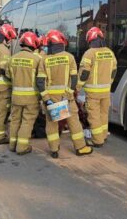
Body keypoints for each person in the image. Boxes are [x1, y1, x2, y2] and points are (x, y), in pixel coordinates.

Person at [37, 29, 92, 158]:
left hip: (51, 98)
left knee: (51, 124)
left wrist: (46, 99)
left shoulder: (44, 60)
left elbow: (40, 82)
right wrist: (67, 95)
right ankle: (80, 147)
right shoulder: (69, 57)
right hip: (66, 98)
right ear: (61, 43)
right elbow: (73, 79)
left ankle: (54, 149)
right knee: (73, 121)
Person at [77, 27, 117, 147]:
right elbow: (114, 71)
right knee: (103, 115)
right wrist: (108, 83)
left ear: (90, 39)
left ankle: (97, 141)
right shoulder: (110, 52)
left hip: (93, 93)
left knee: (94, 116)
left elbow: (84, 73)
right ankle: (103, 136)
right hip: (106, 91)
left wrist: (77, 88)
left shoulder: (89, 53)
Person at [6, 31, 42, 155]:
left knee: (15, 120)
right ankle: (21, 147)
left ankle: (12, 145)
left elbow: (8, 75)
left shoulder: (12, 58)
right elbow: (41, 79)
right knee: (27, 121)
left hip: (16, 97)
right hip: (31, 98)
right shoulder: (37, 59)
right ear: (33, 43)